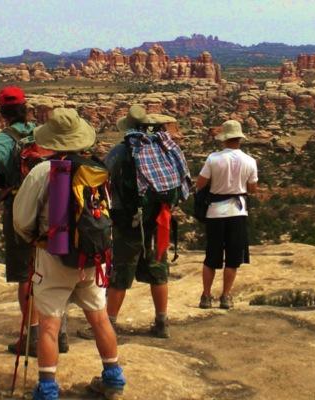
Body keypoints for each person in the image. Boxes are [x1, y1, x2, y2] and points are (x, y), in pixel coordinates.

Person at [12, 108, 125, 400]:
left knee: (49, 323)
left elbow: (22, 220)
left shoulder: (41, 171)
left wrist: (32, 239)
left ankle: (48, 389)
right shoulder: (97, 169)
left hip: (54, 256)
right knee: (99, 318)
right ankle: (113, 380)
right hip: (92, 258)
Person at [0, 86, 66, 355]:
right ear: (27, 108)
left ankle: (33, 336)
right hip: (55, 206)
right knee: (55, 267)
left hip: (20, 208)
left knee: (26, 272)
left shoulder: (1, 142)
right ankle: (61, 333)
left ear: (2, 113)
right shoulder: (42, 133)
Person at [87, 105, 186, 339]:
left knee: (121, 270)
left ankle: (107, 325)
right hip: (159, 218)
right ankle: (162, 323)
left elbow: (100, 176)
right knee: (159, 269)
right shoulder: (163, 147)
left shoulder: (122, 151)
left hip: (128, 219)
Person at [195, 120, 258, 310]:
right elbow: (252, 189)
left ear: (224, 139)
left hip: (215, 212)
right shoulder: (250, 161)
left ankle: (206, 296)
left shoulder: (213, 159)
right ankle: (226, 296)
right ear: (239, 138)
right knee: (233, 257)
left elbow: (200, 184)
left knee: (211, 257)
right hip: (238, 212)